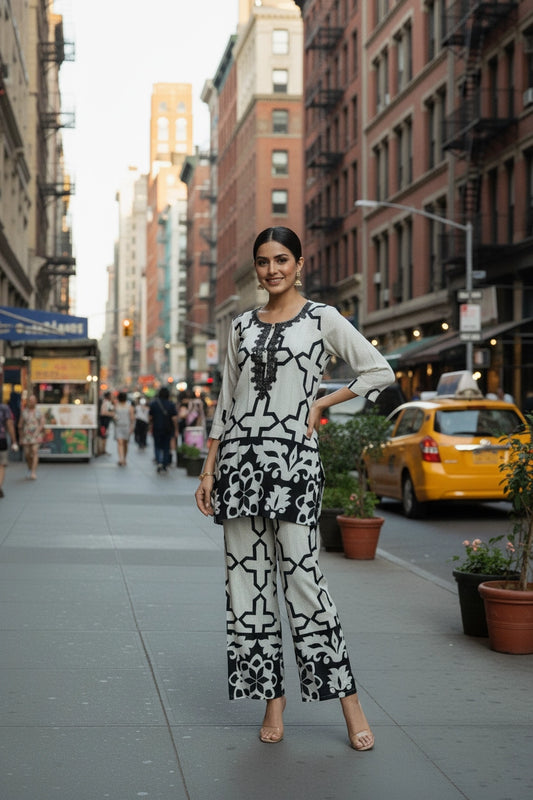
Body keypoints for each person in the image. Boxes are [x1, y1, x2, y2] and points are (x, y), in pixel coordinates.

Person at [195, 226, 394, 750]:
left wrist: (322, 403)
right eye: (263, 261)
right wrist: (208, 468)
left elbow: (379, 371)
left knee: (305, 581)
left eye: (282, 259)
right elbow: (227, 401)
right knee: (248, 588)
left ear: (300, 264)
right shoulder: (241, 326)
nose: (272, 270)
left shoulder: (322, 319)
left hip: (294, 467)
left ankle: (350, 706)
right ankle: (273, 703)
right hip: (238, 466)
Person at [149, 387, 177, 473]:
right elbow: (174, 419)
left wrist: (150, 427)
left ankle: (159, 462)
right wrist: (176, 429)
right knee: (166, 447)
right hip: (168, 429)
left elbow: (150, 417)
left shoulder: (154, 404)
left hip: (156, 428)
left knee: (157, 446)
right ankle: (164, 464)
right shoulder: (171, 404)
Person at [18, 394, 44, 480]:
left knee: (34, 451)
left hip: (36, 435)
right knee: (27, 454)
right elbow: (20, 425)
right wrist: (21, 437)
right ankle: (30, 467)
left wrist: (38, 431)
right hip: (26, 435)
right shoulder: (24, 412)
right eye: (30, 400)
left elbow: (42, 423)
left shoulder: (39, 412)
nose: (32, 402)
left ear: (36, 401)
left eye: (33, 400)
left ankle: (33, 471)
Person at [0, 401, 19, 498]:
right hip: (1, 439)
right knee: (2, 465)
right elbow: (10, 424)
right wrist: (14, 441)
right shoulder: (4, 408)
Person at [114, 392, 134, 466]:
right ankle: (121, 459)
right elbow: (132, 418)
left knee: (124, 443)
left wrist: (131, 427)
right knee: (120, 442)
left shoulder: (129, 407)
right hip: (120, 426)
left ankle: (124, 458)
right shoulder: (116, 406)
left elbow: (132, 418)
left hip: (125, 426)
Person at [98, 391, 115, 455]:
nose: (113, 396)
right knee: (103, 435)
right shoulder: (105, 402)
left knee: (104, 435)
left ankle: (103, 449)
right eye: (111, 395)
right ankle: (102, 449)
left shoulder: (108, 402)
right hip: (104, 422)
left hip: (106, 422)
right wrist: (112, 414)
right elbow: (103, 412)